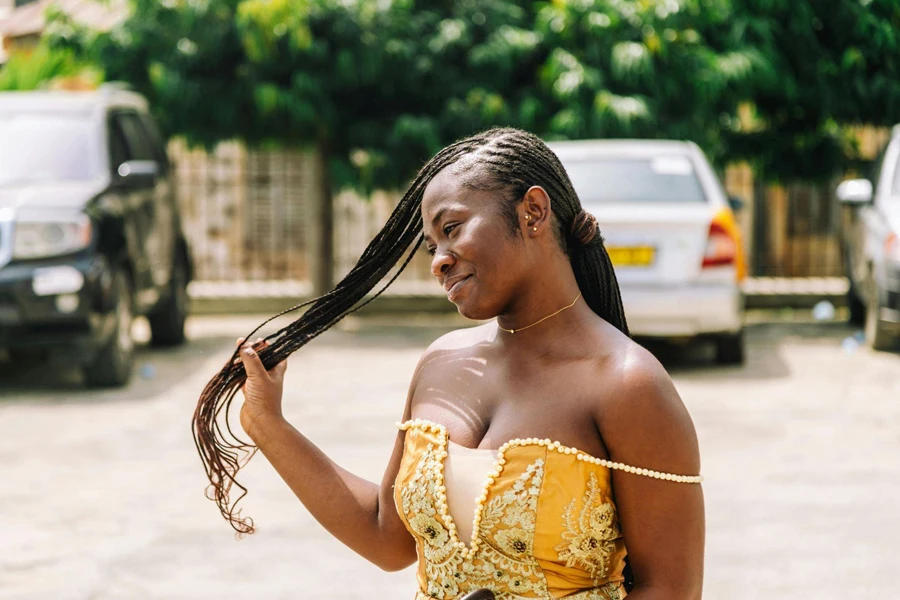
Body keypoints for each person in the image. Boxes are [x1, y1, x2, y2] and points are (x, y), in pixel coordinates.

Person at [193, 128, 705, 599]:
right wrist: (266, 423)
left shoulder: (627, 383)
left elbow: (672, 591)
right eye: (432, 247)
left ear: (532, 212)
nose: (439, 260)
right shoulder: (441, 364)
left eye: (453, 228)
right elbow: (385, 536)